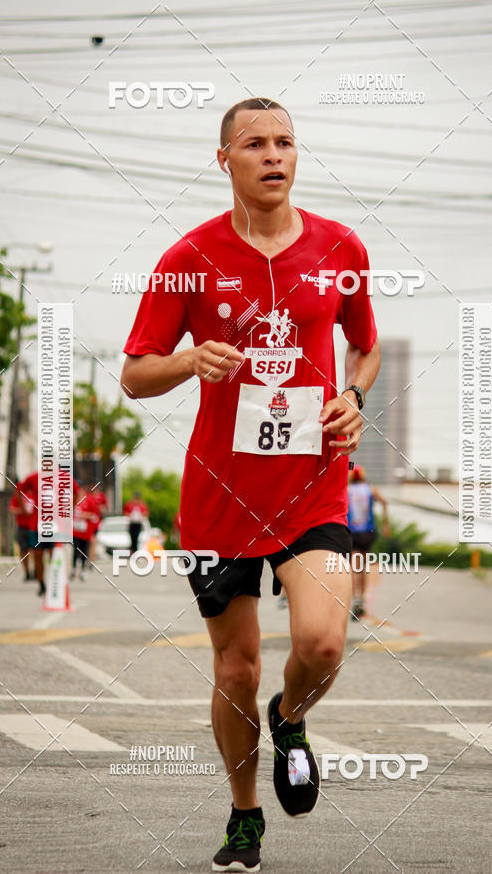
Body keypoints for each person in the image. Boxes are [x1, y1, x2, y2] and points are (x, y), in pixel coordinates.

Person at [120, 97, 380, 873]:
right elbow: (135, 373)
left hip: (312, 488)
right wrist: (188, 360)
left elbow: (365, 346)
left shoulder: (341, 247)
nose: (273, 155)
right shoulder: (188, 258)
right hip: (219, 499)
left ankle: (290, 717)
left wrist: (354, 395)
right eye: (255, 143)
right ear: (224, 159)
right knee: (236, 668)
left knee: (322, 642)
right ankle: (244, 815)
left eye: (285, 142)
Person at [347, 465, 389, 619]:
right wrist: (385, 524)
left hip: (352, 531)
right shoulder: (370, 489)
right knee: (363, 567)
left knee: (354, 567)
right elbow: (384, 502)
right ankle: (362, 600)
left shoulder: (346, 490)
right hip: (368, 532)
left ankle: (356, 598)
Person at [9, 479, 35, 581]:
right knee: (23, 550)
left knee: (35, 550)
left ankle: (36, 571)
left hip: (34, 527)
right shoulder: (19, 496)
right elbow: (12, 509)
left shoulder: (36, 495)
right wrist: (23, 511)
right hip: (22, 527)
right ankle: (27, 572)